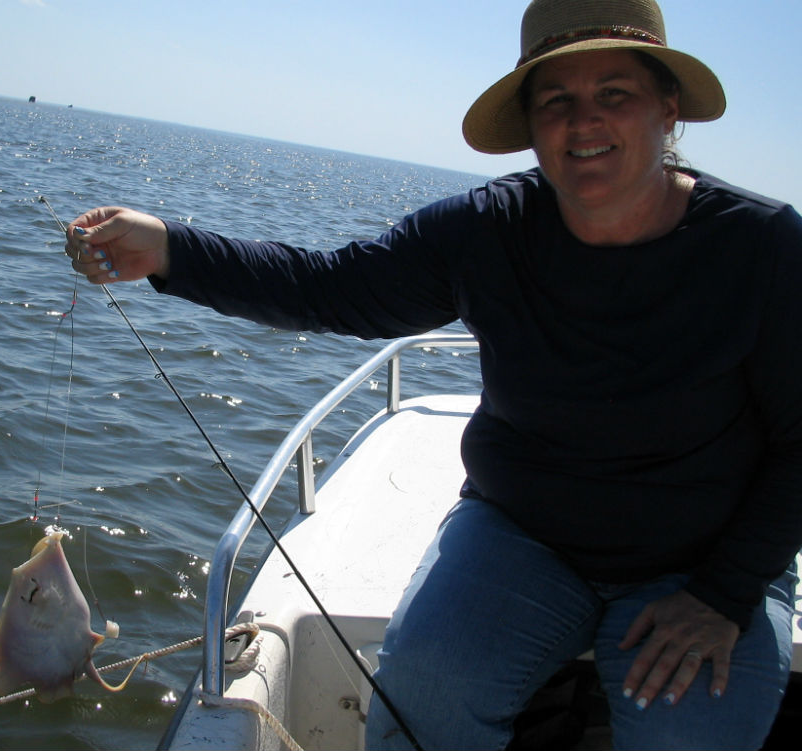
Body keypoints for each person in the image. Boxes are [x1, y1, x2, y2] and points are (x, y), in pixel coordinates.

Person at [65, 0, 802, 748]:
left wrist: (725, 592)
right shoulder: (486, 231)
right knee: (424, 690)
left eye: (615, 94)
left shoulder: (763, 246)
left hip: (704, 559)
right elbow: (328, 286)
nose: (584, 122)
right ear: (531, 125)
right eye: (557, 101)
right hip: (524, 536)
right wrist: (169, 251)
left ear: (667, 110)